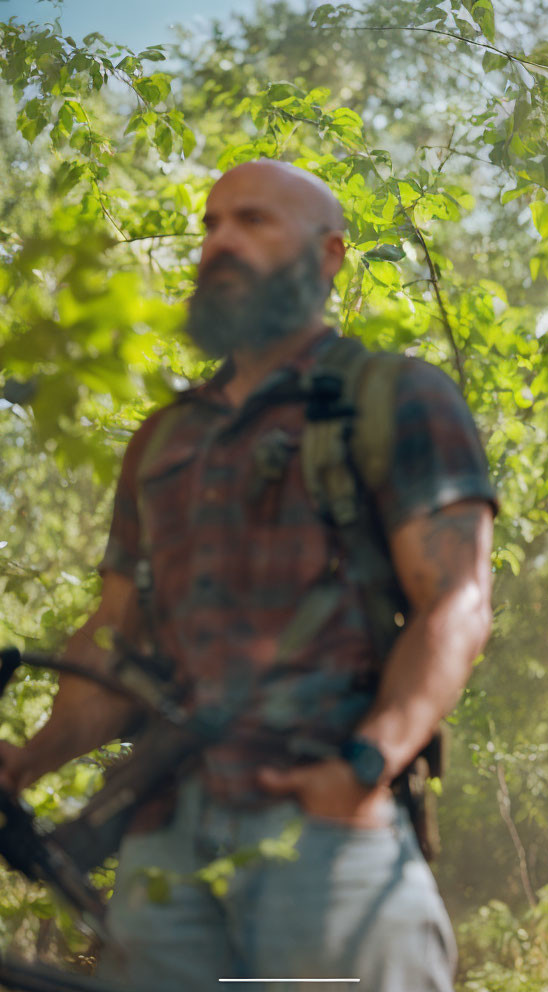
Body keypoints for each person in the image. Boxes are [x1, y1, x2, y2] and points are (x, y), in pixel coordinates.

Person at [0, 160, 496, 992]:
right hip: (162, 839)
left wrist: (364, 770)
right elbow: (115, 639)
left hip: (325, 829)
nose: (220, 240)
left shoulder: (397, 395)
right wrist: (29, 764)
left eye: (255, 221)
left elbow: (457, 601)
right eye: (211, 223)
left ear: (330, 255)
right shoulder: (163, 440)